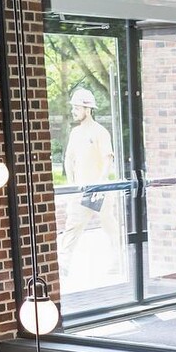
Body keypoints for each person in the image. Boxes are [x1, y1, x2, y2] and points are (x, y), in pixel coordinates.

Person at [58, 87, 119, 272]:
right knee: (72, 226)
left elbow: (108, 159)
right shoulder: (75, 133)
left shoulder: (100, 132)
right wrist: (72, 184)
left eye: (77, 108)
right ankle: (64, 263)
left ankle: (118, 260)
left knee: (109, 226)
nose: (73, 111)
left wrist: (100, 183)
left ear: (87, 109)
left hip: (99, 190)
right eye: (74, 108)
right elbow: (69, 159)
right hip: (80, 190)